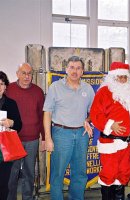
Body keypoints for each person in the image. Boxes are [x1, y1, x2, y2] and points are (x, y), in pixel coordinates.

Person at [43, 56, 95, 200]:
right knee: (58, 173)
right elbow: (47, 112)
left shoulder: (88, 89)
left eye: (78, 68)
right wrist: (48, 138)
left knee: (80, 173)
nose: (74, 71)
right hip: (61, 134)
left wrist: (87, 119)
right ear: (66, 69)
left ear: (82, 72)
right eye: (71, 67)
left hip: (81, 134)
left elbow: (93, 111)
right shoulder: (55, 87)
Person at [90, 62, 130, 200]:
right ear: (112, 77)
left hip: (127, 143)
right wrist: (111, 125)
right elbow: (95, 114)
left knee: (124, 172)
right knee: (109, 173)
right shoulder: (104, 92)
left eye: (125, 77)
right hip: (110, 142)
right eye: (119, 76)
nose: (122, 80)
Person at [6, 63, 45, 200]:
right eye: (24, 73)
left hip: (32, 139)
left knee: (29, 173)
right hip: (12, 139)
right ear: (17, 73)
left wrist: (44, 138)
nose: (27, 76)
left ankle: (27, 197)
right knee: (12, 173)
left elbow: (42, 116)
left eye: (29, 73)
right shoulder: (8, 89)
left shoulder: (38, 92)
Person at [0, 71, 22, 200]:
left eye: (2, 84)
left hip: (4, 151)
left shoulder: (11, 103)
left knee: (3, 185)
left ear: (5, 86)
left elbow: (19, 125)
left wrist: (11, 122)